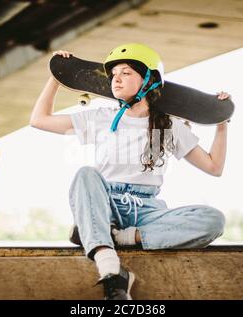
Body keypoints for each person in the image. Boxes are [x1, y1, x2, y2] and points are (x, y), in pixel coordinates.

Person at [29, 43, 232, 300]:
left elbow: (214, 167)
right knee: (85, 175)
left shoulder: (170, 126)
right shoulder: (99, 117)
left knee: (213, 219)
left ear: (148, 80)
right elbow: (39, 120)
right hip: (106, 204)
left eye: (126, 72)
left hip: (148, 211)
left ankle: (119, 236)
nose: (116, 79)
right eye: (113, 74)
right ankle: (112, 271)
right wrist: (56, 77)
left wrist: (220, 125)